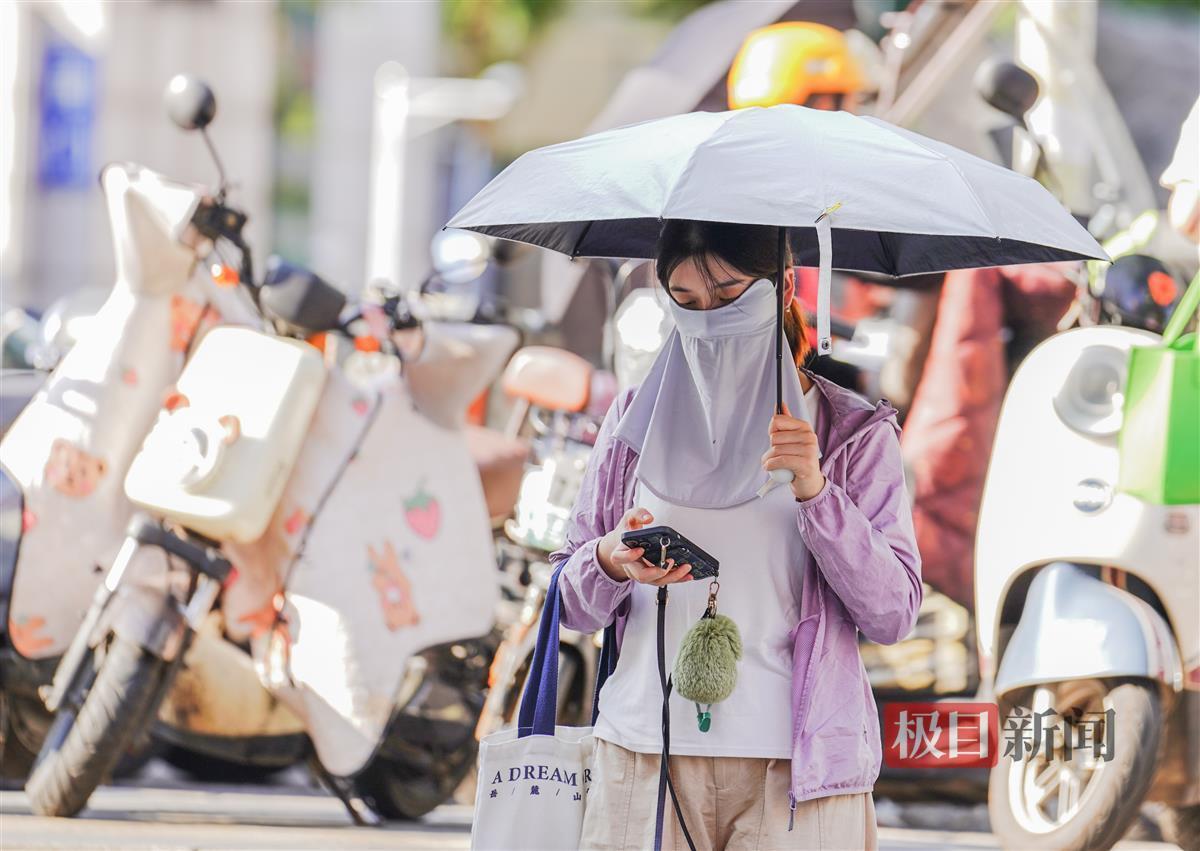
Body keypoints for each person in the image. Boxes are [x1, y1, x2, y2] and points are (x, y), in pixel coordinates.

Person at [551, 220, 922, 850]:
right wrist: (611, 559)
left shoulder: (851, 433)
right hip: (644, 756)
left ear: (783, 289)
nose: (708, 318)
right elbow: (570, 603)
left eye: (729, 296)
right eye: (687, 301)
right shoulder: (631, 421)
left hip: (798, 775)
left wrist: (815, 489)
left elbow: (893, 613)